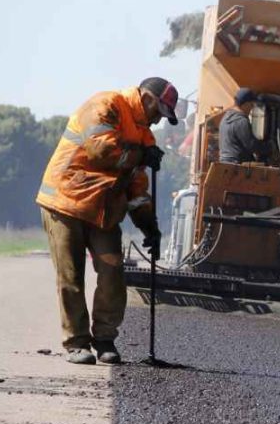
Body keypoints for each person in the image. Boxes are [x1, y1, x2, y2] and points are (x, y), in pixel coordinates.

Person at [36, 77, 179, 365]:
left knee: (113, 272)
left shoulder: (144, 135)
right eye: (157, 113)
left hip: (103, 210)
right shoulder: (106, 105)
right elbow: (101, 151)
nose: (156, 122)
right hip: (66, 201)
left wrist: (148, 225)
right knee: (71, 276)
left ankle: (104, 339)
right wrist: (140, 156)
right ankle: (77, 342)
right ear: (148, 99)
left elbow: (137, 185)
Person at [218, 87, 267, 164]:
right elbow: (251, 146)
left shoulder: (225, 118)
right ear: (245, 104)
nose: (251, 108)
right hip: (237, 166)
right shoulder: (241, 121)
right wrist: (268, 147)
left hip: (224, 163)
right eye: (251, 105)